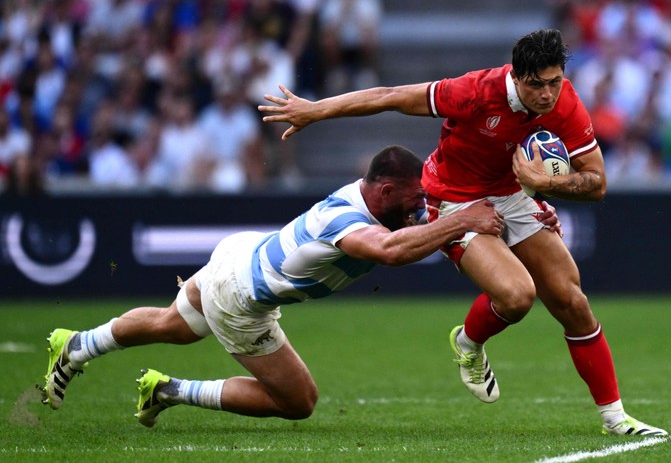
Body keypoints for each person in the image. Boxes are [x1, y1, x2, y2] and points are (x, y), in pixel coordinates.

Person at [258, 29, 667, 437]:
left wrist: (546, 186)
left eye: (555, 82)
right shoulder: (474, 91)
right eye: (537, 85)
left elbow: (597, 184)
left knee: (572, 301)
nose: (547, 94)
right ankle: (469, 343)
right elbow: (389, 96)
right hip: (454, 201)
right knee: (517, 295)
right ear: (516, 76)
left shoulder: (566, 102)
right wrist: (316, 110)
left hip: (515, 194)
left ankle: (616, 418)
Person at [40, 145, 561, 427]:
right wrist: (460, 222)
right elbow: (390, 252)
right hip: (240, 299)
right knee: (299, 402)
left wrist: (528, 213)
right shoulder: (347, 222)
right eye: (410, 199)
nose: (419, 207)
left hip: (241, 254)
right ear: (382, 191)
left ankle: (78, 345)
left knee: (170, 324)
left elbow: (437, 218)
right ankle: (170, 390)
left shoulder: (381, 202)